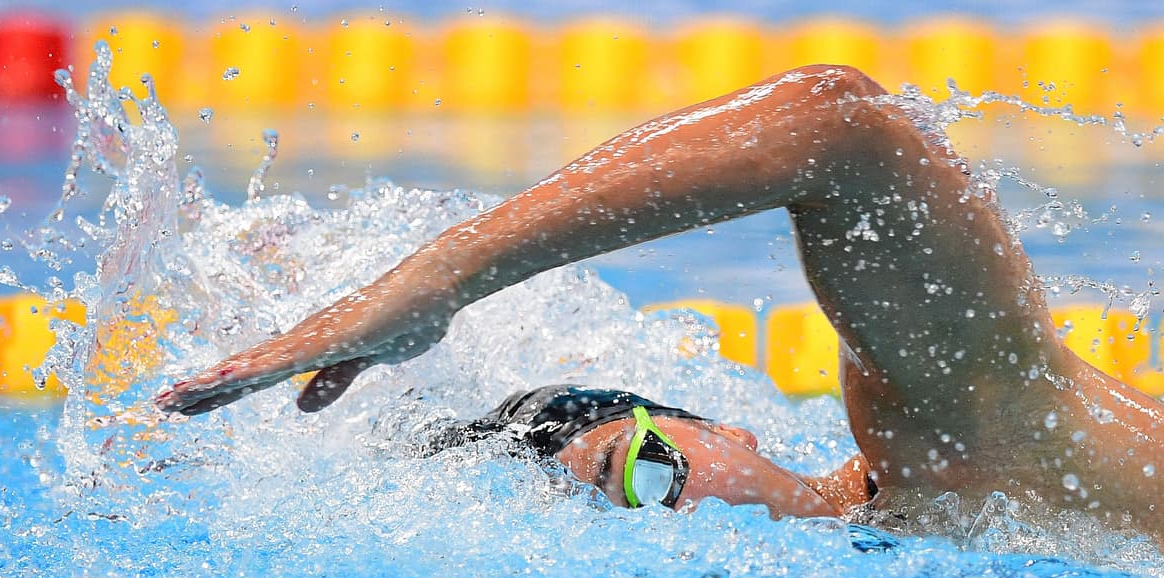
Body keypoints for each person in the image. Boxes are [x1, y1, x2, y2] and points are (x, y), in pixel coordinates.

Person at [154, 64, 1164, 539]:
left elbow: (839, 125)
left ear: (715, 425)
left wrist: (436, 282)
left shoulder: (940, 441)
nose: (671, 517)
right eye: (625, 519)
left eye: (643, 472)